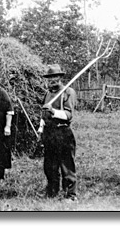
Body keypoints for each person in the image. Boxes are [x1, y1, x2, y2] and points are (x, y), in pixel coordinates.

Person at [37, 64, 78, 201]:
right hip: (49, 133)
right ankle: (52, 191)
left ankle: (70, 195)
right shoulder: (47, 94)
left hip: (63, 132)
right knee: (50, 165)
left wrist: (53, 111)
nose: (52, 80)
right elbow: (43, 115)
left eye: (55, 77)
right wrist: (40, 129)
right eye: (49, 78)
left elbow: (68, 115)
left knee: (66, 164)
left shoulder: (68, 92)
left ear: (60, 77)